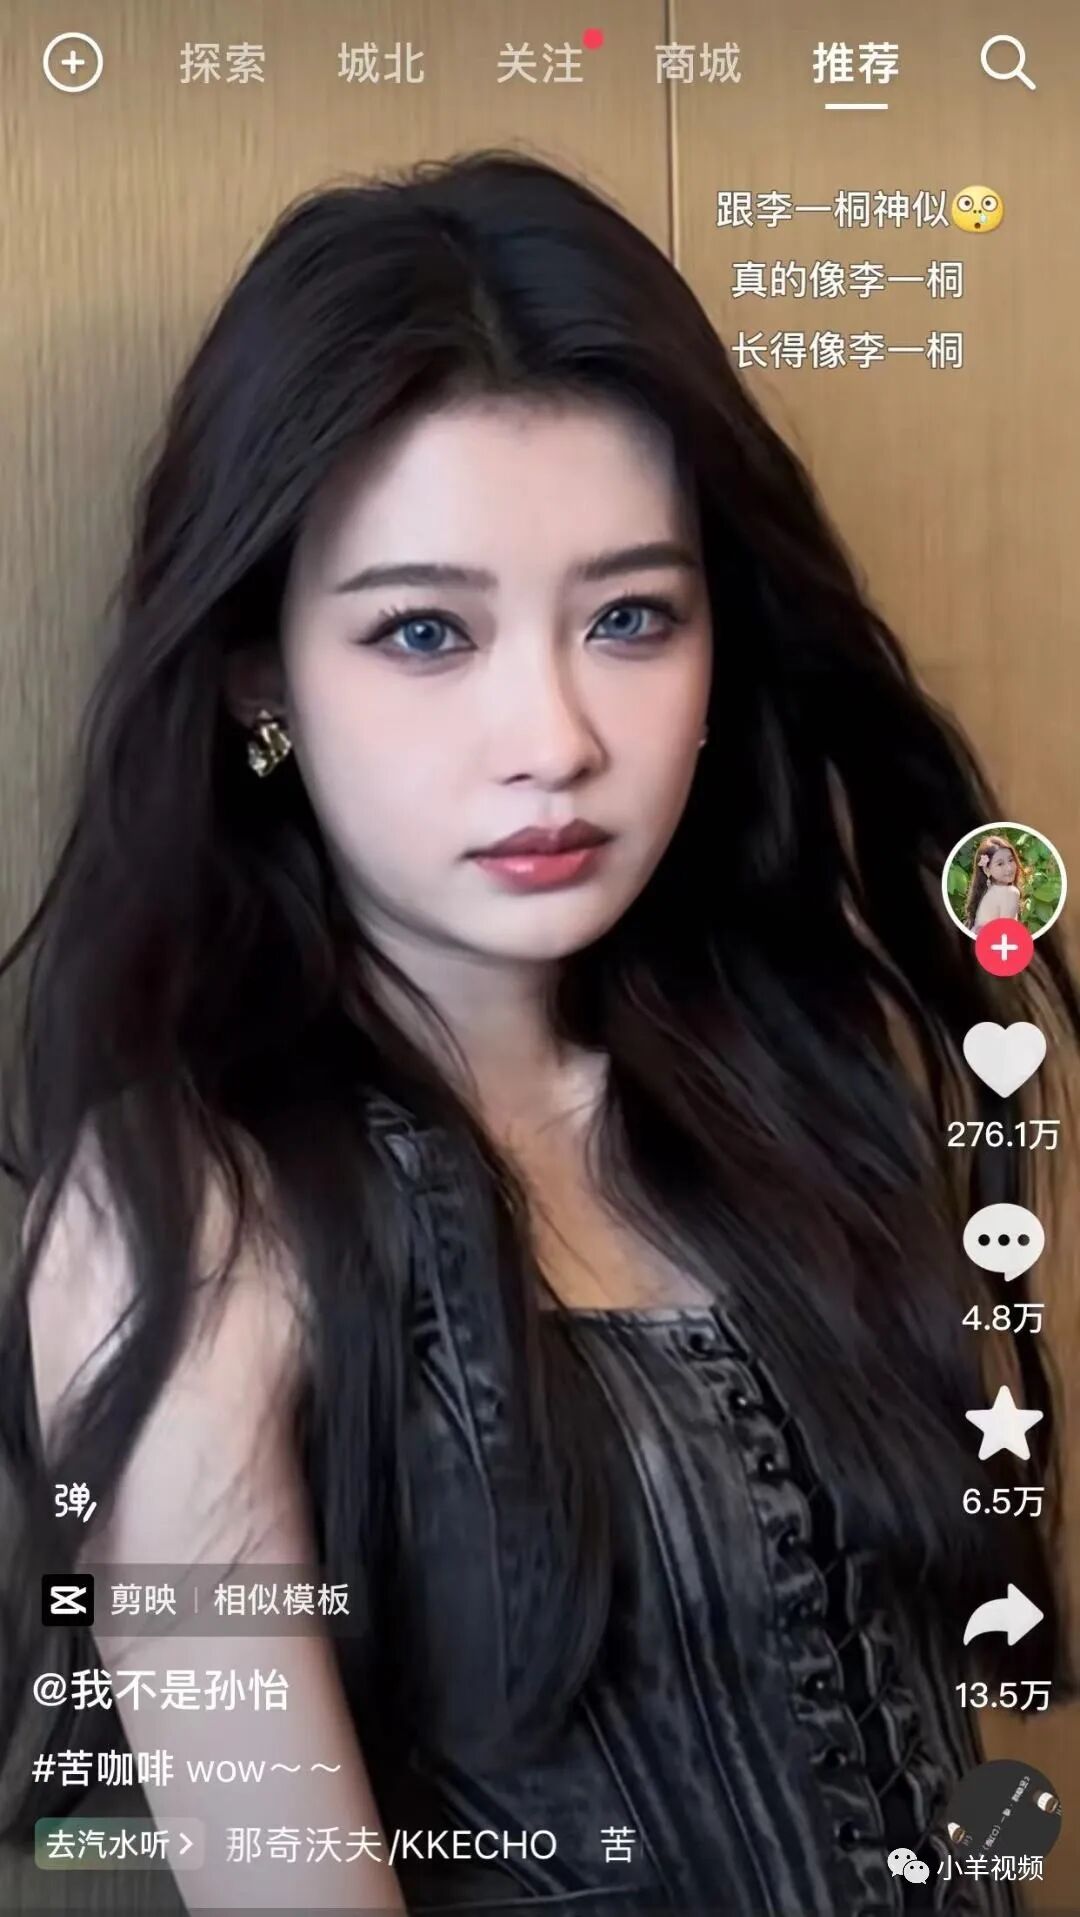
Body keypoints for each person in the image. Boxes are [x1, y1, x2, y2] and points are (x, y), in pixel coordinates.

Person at [0, 149, 1077, 1916]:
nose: (557, 737)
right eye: (426, 631)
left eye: (630, 617)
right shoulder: (182, 1215)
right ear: (264, 677)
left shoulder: (783, 1098)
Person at [963, 834, 1024, 931]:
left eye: (1011, 860)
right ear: (987, 869)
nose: (1009, 868)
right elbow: (1007, 933)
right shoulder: (1011, 892)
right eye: (1000, 864)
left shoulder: (986, 892)